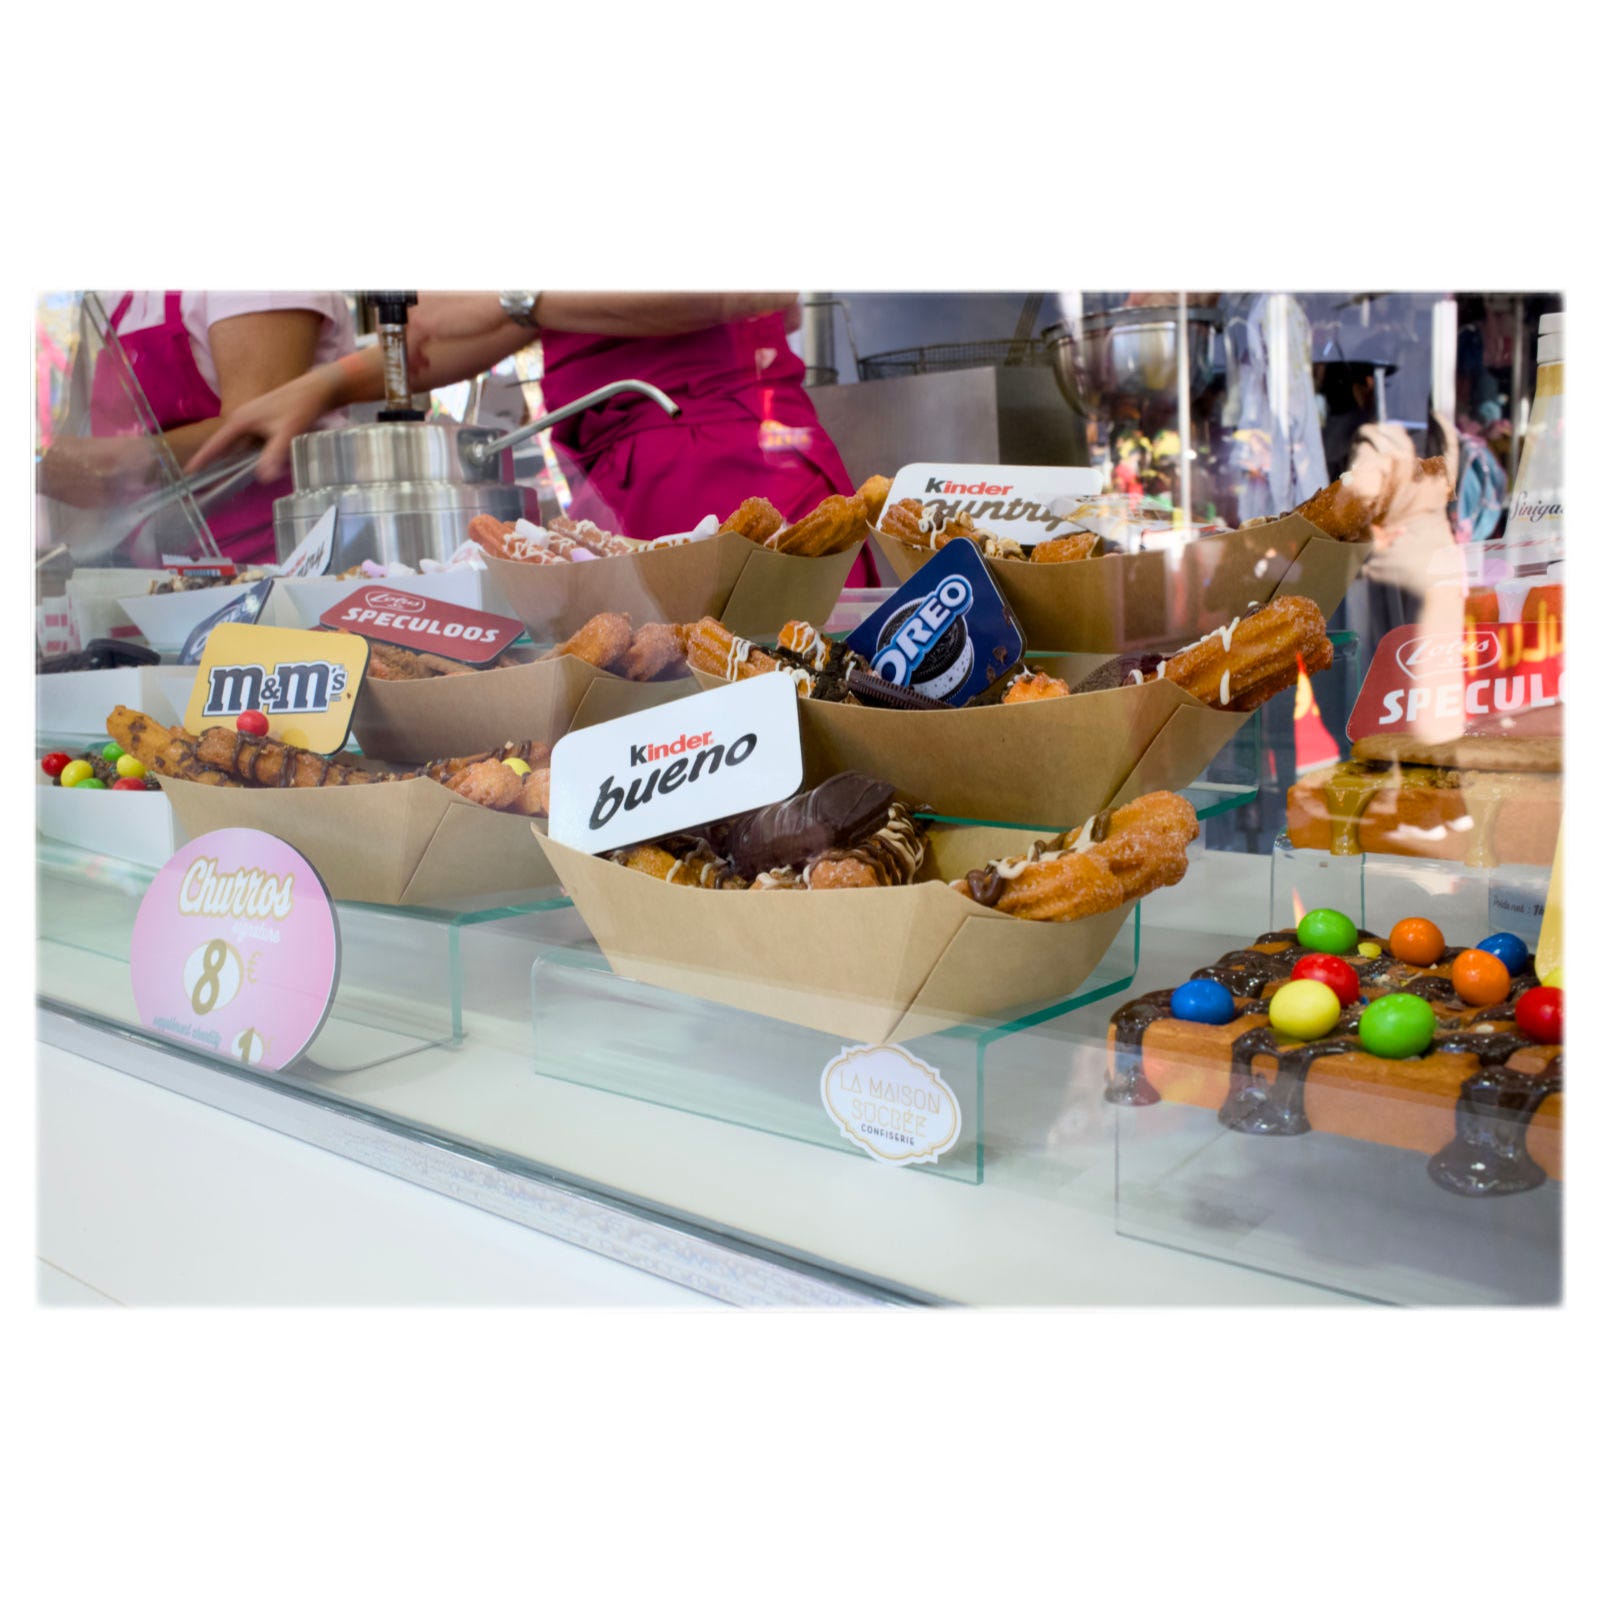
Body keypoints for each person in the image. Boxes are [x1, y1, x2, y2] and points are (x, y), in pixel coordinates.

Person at [190, 291, 859, 552]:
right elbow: (469, 332)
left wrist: (515, 297)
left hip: (729, 468)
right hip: (618, 482)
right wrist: (325, 384)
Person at [39, 292, 356, 566]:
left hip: (275, 561)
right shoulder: (118, 297)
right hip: (162, 569)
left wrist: (112, 466)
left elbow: (258, 423)